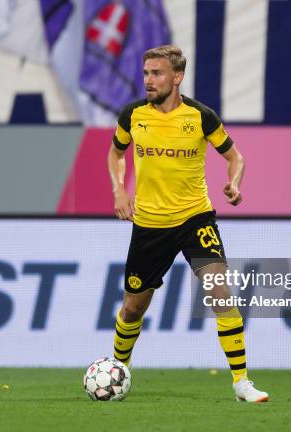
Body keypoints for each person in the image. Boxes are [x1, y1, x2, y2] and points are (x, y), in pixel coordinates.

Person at [108, 45, 268, 403]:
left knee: (219, 292)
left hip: (195, 218)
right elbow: (117, 152)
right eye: (146, 73)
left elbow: (234, 156)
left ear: (177, 77)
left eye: (157, 73)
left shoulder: (200, 116)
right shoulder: (132, 115)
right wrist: (119, 190)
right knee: (133, 307)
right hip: (149, 225)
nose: (149, 80)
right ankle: (117, 371)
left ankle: (242, 382)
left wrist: (234, 182)